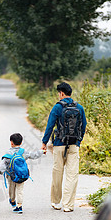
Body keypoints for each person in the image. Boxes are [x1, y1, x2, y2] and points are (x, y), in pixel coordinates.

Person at [41, 82, 87, 212]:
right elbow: (83, 126)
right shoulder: (79, 107)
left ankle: (56, 202)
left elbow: (50, 126)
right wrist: (78, 141)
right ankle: (68, 205)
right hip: (73, 145)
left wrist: (44, 143)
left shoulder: (57, 107)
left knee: (57, 173)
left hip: (59, 145)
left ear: (61, 93)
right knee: (72, 175)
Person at [0, 133, 45, 214]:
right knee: (20, 190)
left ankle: (12, 201)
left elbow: (3, 165)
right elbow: (33, 155)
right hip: (21, 175)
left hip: (11, 175)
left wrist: (0, 171)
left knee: (11, 189)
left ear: (11, 142)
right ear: (21, 142)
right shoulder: (23, 152)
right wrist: (42, 151)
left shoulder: (8, 153)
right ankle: (19, 206)